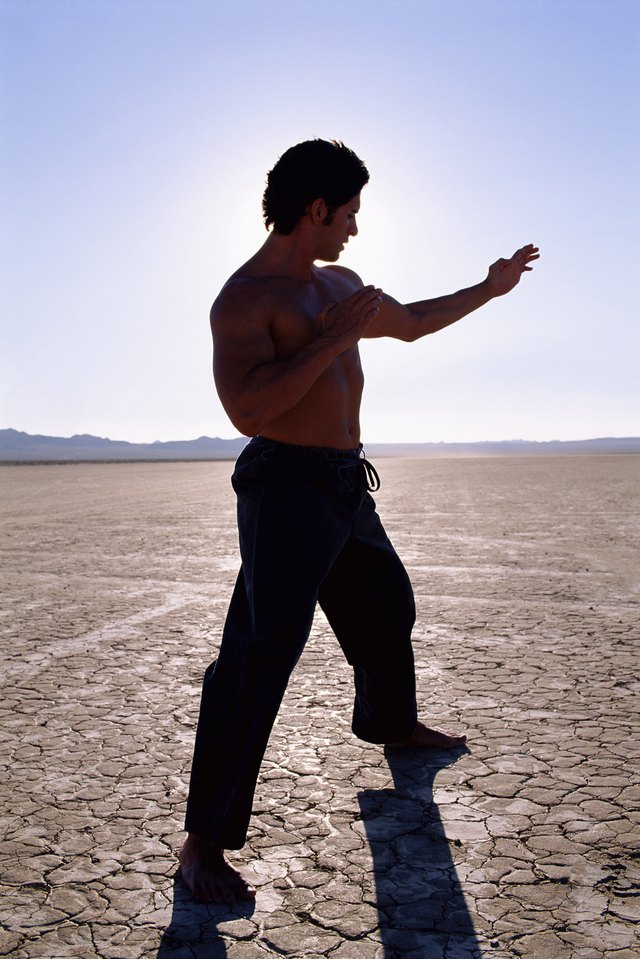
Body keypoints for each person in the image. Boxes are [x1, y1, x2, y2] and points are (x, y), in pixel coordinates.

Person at [179, 139, 539, 903]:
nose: (353, 230)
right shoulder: (247, 300)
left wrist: (490, 287)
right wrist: (334, 341)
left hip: (344, 482)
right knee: (257, 657)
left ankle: (391, 725)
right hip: (286, 490)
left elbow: (408, 323)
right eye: (348, 214)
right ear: (315, 210)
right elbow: (247, 410)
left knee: (385, 607)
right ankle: (202, 845)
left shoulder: (336, 282)